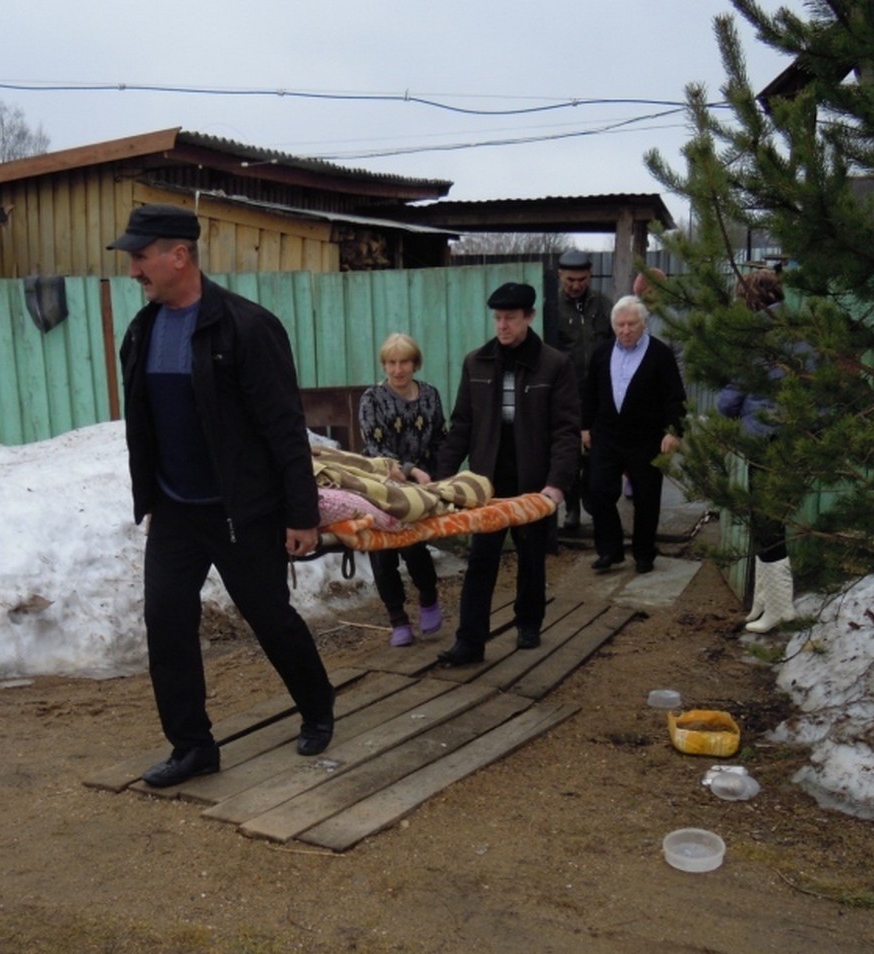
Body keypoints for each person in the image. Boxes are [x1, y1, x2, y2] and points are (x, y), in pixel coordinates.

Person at [112, 203, 336, 788]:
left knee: (268, 616)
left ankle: (317, 707)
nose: (133, 269)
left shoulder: (246, 326)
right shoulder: (142, 331)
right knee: (165, 623)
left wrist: (301, 514)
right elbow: (145, 423)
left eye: (141, 256)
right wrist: (151, 498)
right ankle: (192, 746)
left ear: (178, 255)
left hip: (242, 511)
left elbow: (284, 427)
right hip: (175, 511)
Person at [430, 283, 581, 665]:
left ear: (528, 317)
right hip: (487, 481)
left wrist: (556, 485)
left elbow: (565, 430)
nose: (502, 326)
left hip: (533, 479)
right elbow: (462, 424)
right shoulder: (477, 362)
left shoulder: (554, 365)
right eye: (497, 318)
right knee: (481, 560)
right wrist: (444, 478)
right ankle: (470, 642)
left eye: (510, 318)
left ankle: (529, 622)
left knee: (532, 556)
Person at [718, 269, 806, 633]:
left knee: (767, 523)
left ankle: (780, 607)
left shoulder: (757, 337)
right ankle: (766, 600)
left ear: (751, 299)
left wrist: (724, 401)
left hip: (765, 438)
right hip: (795, 437)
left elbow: (730, 399)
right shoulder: (802, 332)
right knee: (772, 521)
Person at [581, 295, 687, 575]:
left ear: (643, 324)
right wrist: (584, 426)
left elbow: (675, 397)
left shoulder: (660, 354)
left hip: (646, 437)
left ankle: (644, 552)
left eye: (631, 324)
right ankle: (610, 549)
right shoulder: (602, 353)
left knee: (646, 497)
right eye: (620, 324)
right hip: (606, 435)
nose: (625, 330)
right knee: (598, 491)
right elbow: (590, 392)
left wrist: (673, 431)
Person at [358, 333, 448, 647]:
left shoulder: (431, 395)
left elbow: (439, 438)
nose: (398, 369)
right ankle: (397, 618)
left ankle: (428, 599)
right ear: (384, 364)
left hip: (422, 487)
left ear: (415, 363)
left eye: (404, 362)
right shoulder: (372, 399)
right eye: (392, 362)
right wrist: (410, 471)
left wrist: (438, 478)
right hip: (382, 485)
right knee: (382, 552)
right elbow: (375, 448)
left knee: (415, 546)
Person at [551, 249, 615, 532]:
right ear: (560, 276)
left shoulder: (604, 306)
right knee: (568, 452)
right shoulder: (551, 306)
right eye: (570, 280)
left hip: (599, 392)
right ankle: (572, 507)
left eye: (582, 279)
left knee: (597, 450)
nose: (576, 285)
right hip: (565, 392)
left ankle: (595, 504)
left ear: (590, 276)